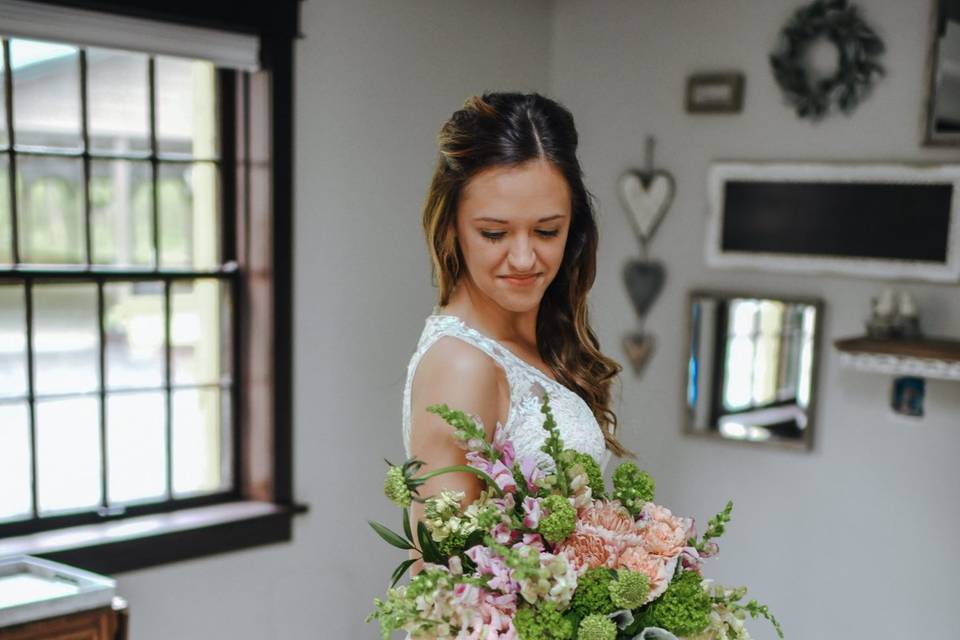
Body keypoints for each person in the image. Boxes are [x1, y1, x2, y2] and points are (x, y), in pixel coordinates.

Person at [402, 92, 630, 575]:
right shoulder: (462, 366)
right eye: (494, 233)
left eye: (547, 231)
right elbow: (441, 592)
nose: (525, 259)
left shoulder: (537, 341)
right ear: (452, 228)